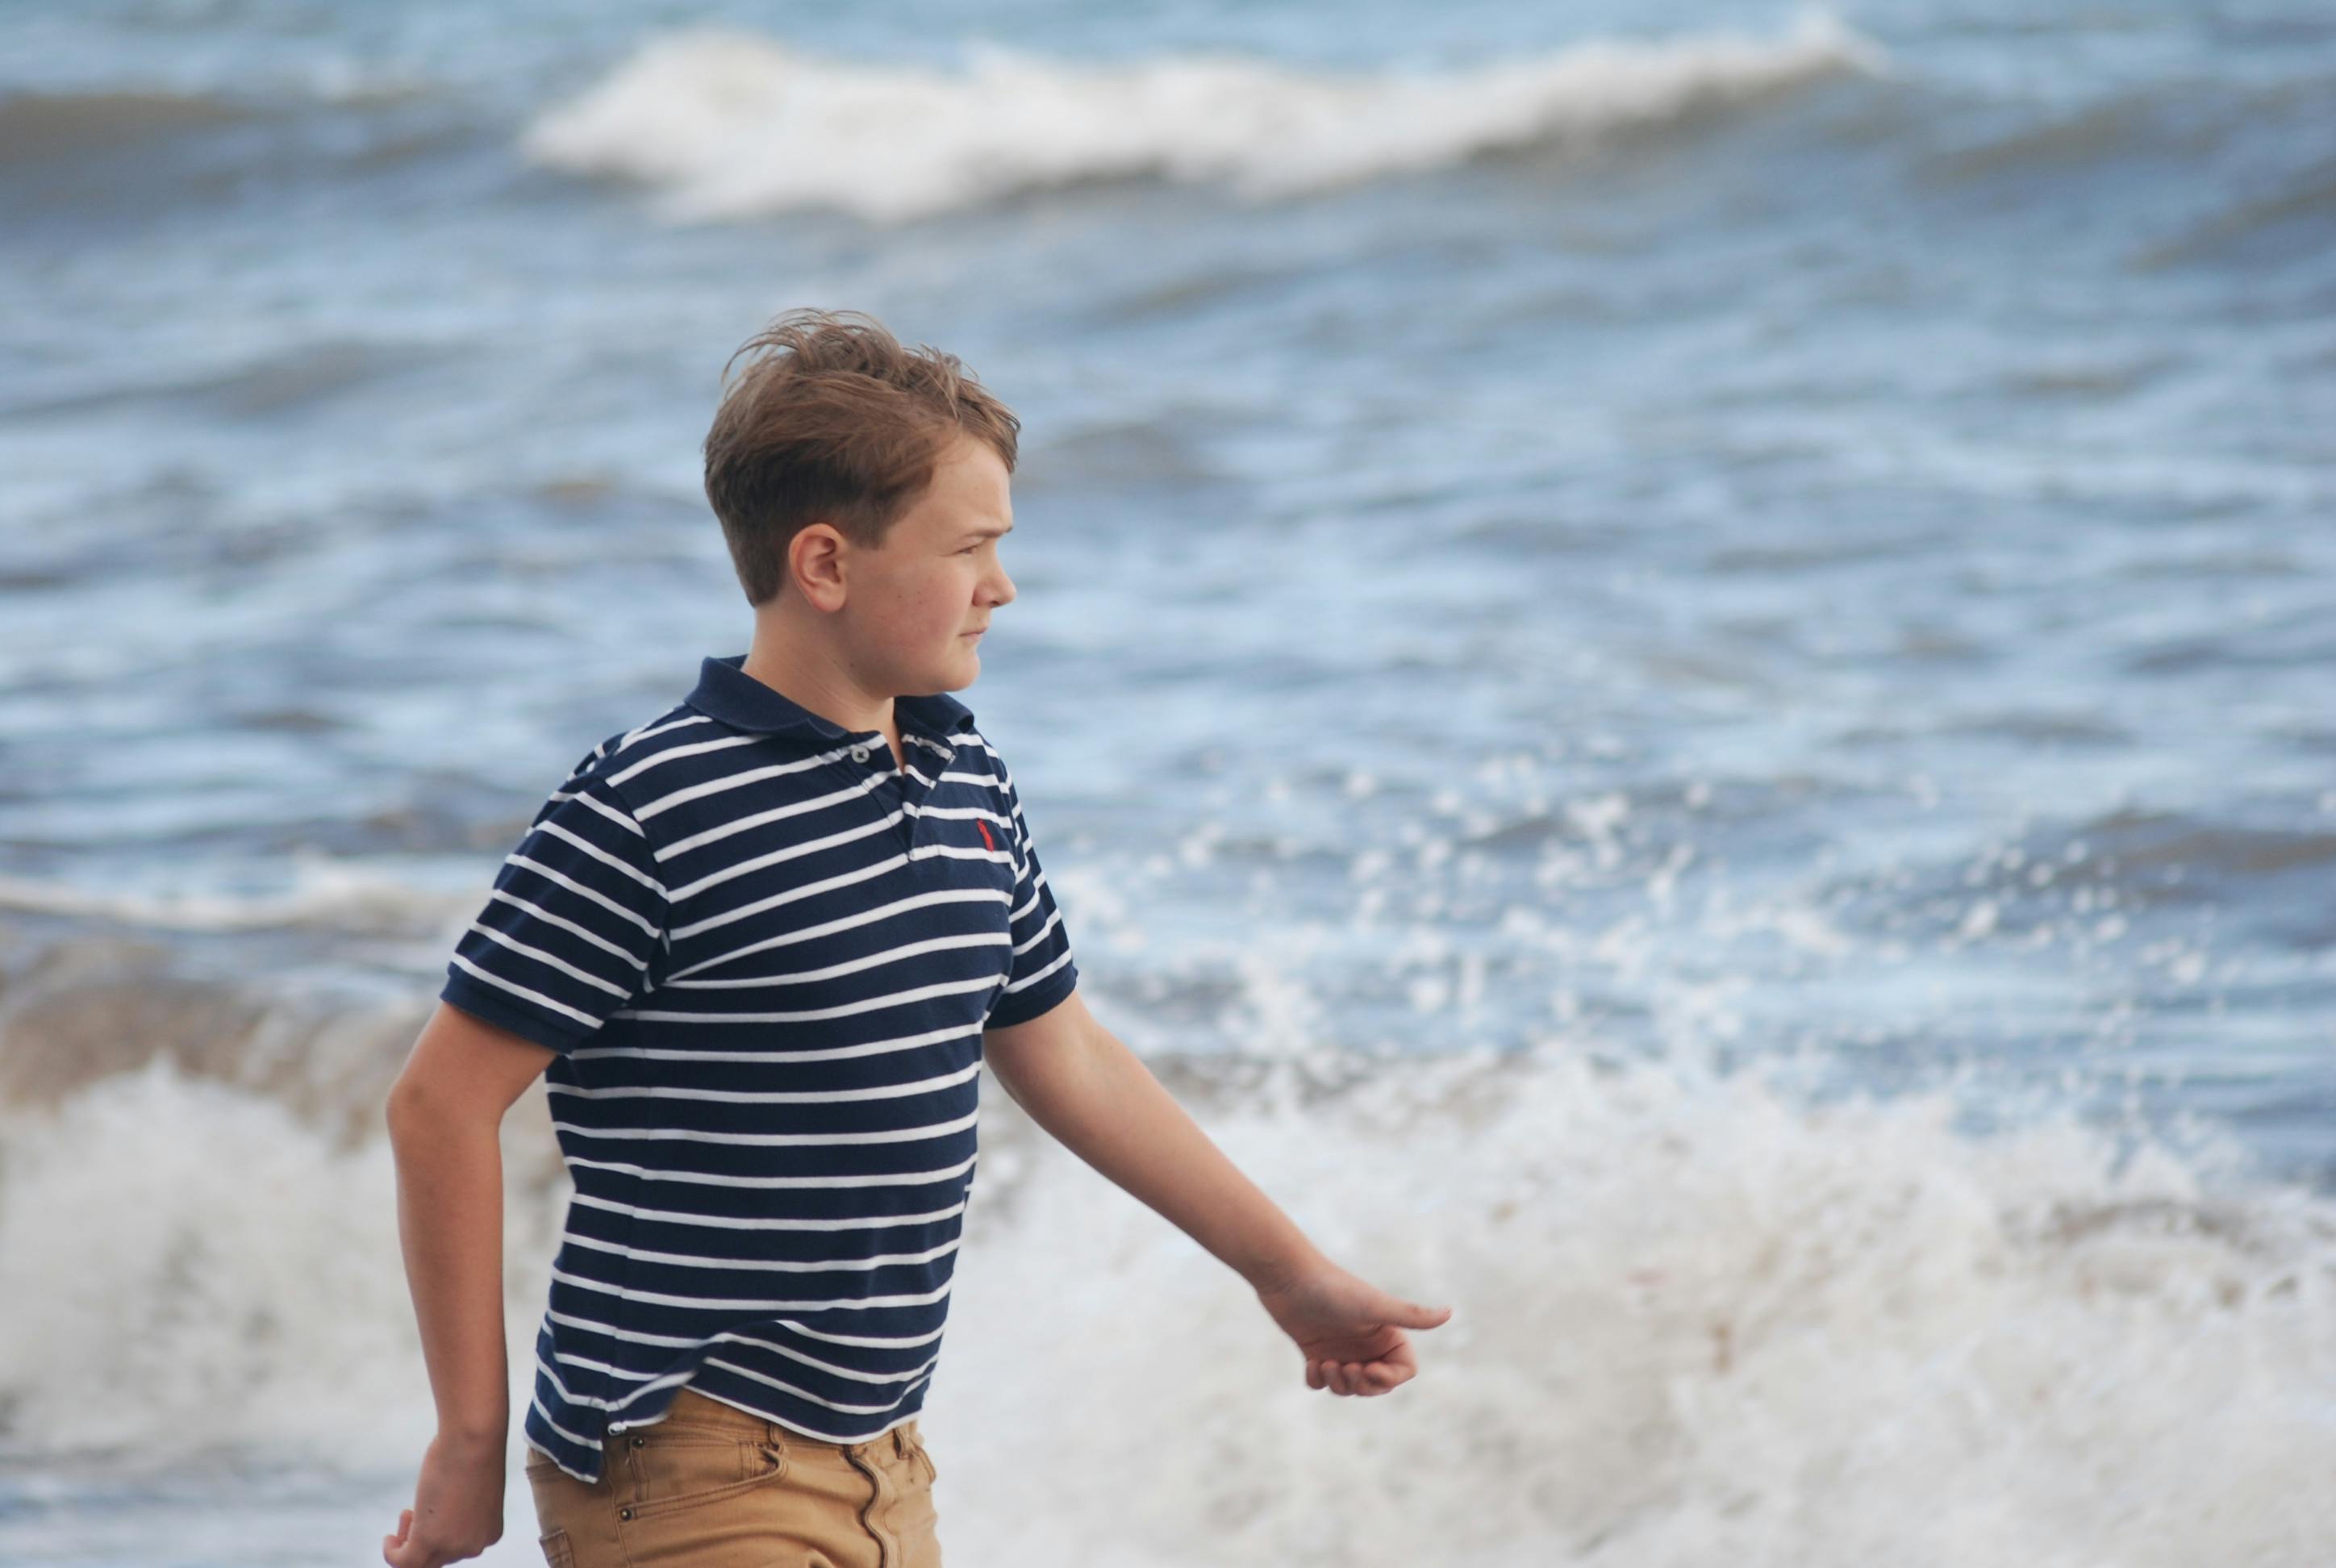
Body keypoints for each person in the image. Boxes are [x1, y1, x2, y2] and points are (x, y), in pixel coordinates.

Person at [382, 308, 1454, 1568]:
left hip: (884, 1460)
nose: (1003, 587)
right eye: (972, 549)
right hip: (685, 1452)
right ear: (826, 564)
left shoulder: (962, 777)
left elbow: (1069, 1056)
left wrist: (1289, 1274)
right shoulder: (651, 807)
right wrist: (468, 1441)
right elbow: (440, 1106)